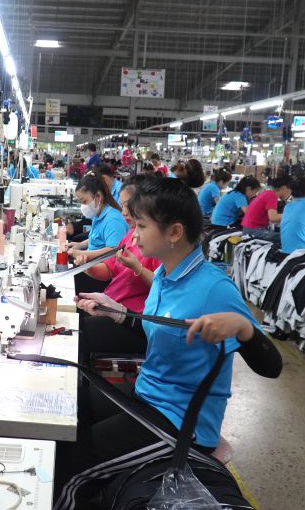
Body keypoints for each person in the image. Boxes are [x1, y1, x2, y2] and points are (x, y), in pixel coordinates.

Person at [60, 177, 282, 509]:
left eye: (142, 226)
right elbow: (161, 336)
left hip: (179, 423)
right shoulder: (165, 274)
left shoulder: (214, 289)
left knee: (69, 466)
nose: (133, 236)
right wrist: (118, 313)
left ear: (174, 232)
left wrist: (242, 328)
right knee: (69, 407)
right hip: (148, 395)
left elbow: (272, 367)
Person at [74, 176, 161, 361]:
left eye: (128, 205)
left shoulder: (154, 244)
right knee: (73, 322)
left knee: (78, 334)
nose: (123, 212)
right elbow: (110, 269)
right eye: (122, 205)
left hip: (132, 319)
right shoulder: (130, 235)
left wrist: (137, 267)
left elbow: (163, 288)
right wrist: (88, 268)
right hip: (113, 306)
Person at [68, 172, 129, 264]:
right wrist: (79, 245)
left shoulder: (113, 220)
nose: (83, 206)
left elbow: (114, 250)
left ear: (98, 197)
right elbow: (97, 239)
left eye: (84, 201)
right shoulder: (98, 215)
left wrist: (82, 253)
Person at [241, 176, 292, 243]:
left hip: (249, 228)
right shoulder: (272, 196)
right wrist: (293, 215)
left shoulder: (267, 193)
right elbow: (273, 217)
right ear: (284, 188)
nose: (291, 194)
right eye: (290, 190)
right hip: (253, 230)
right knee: (287, 238)